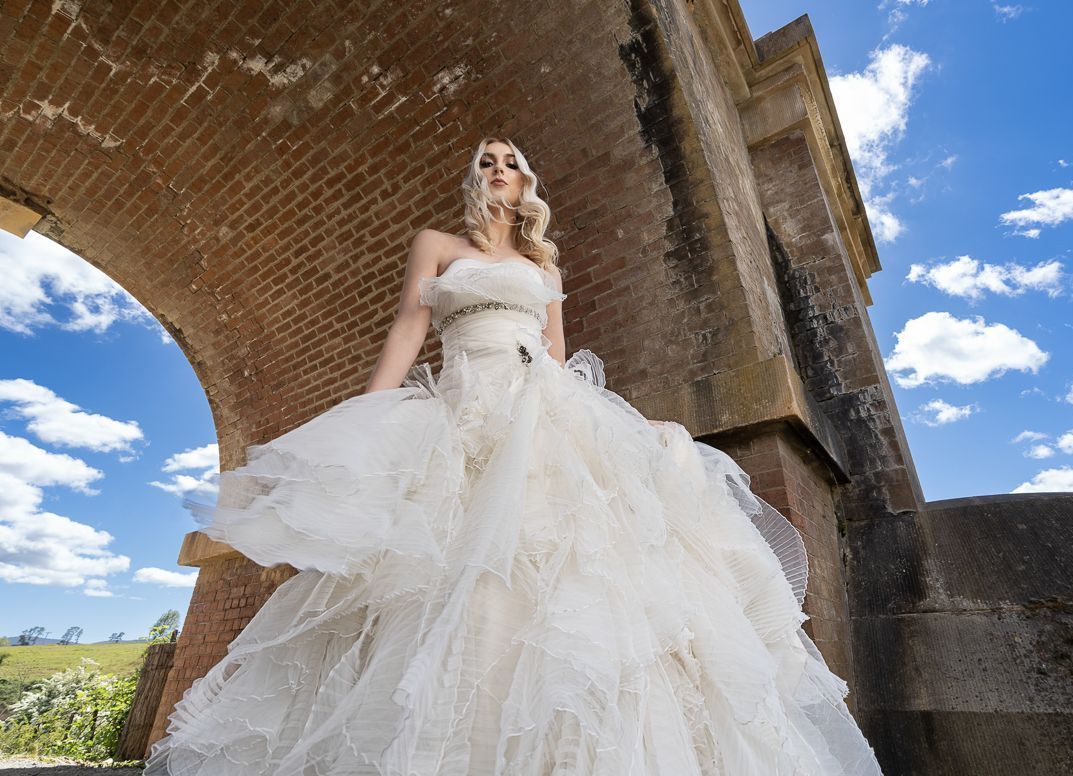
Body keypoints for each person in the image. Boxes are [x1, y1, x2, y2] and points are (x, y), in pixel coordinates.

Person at [144, 137, 883, 775]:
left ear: (526, 183)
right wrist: (366, 417)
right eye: (486, 161)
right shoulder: (439, 245)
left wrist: (621, 421)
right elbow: (408, 329)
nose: (498, 169)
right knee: (447, 573)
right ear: (477, 178)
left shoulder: (544, 267)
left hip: (538, 408)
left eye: (510, 162)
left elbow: (556, 360)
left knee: (562, 561)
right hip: (464, 406)